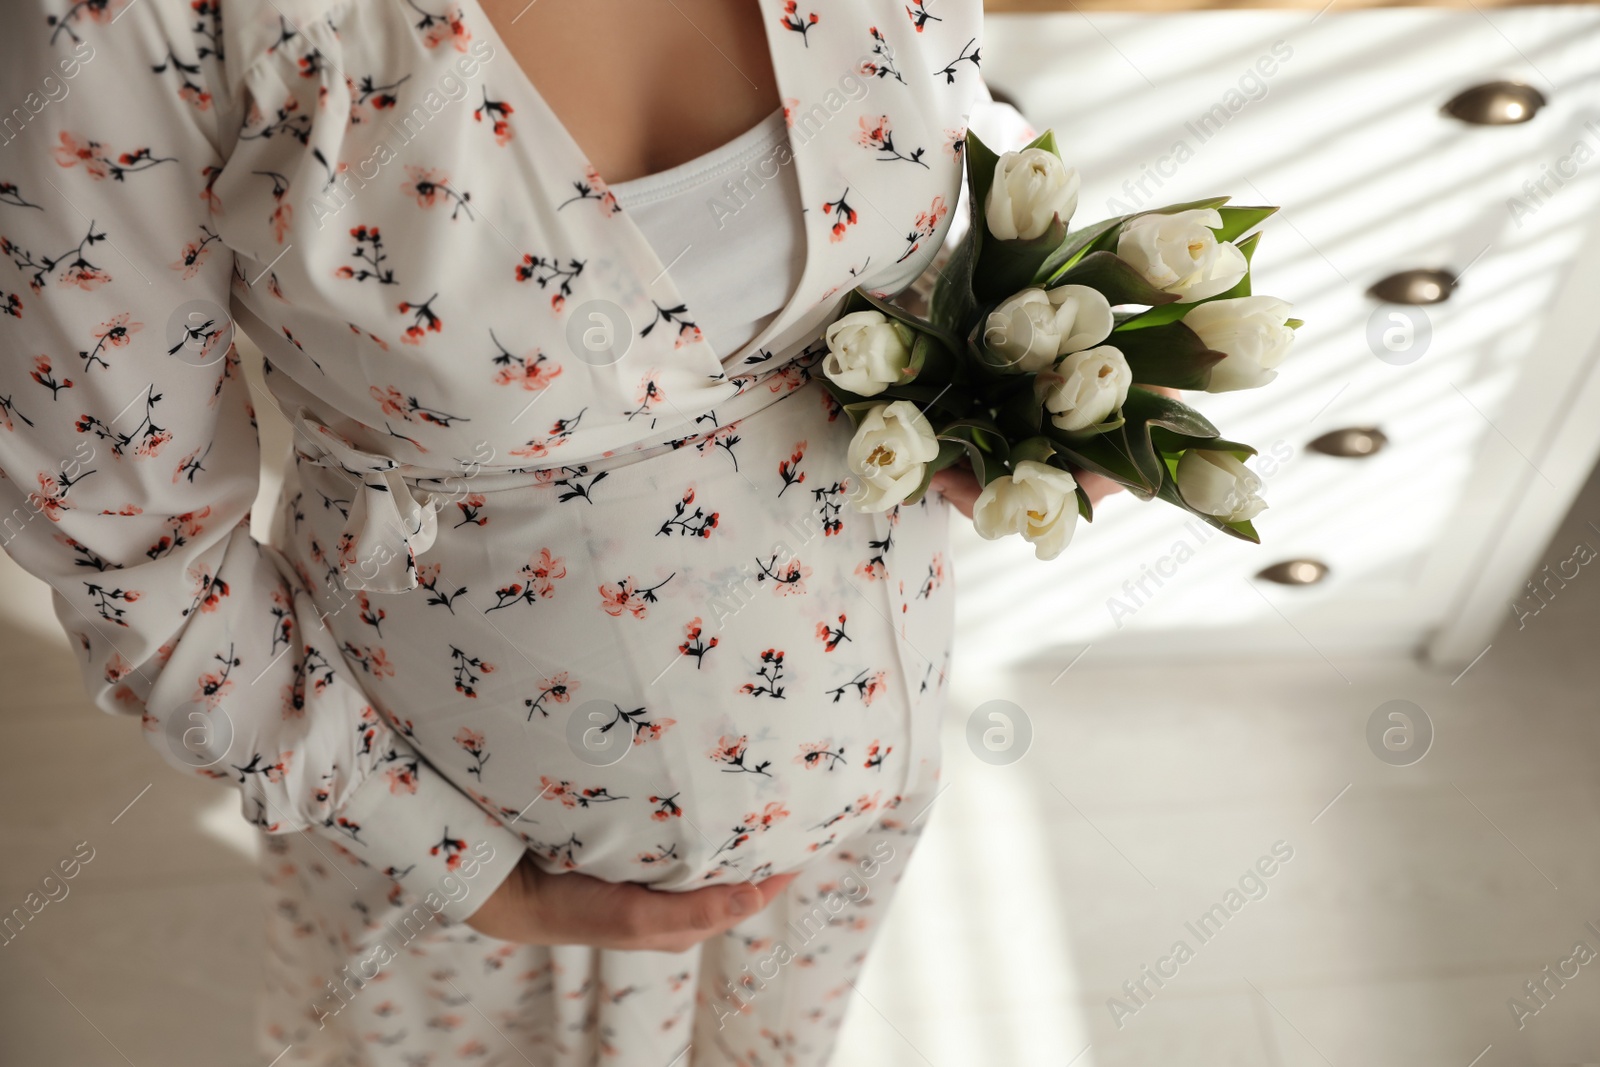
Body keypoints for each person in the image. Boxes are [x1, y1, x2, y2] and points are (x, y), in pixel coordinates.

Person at [0, 0, 1112, 1062]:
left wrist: (999, 371)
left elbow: (941, 132)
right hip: (464, 866)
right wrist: (472, 872)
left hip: (863, 786)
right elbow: (126, 545)